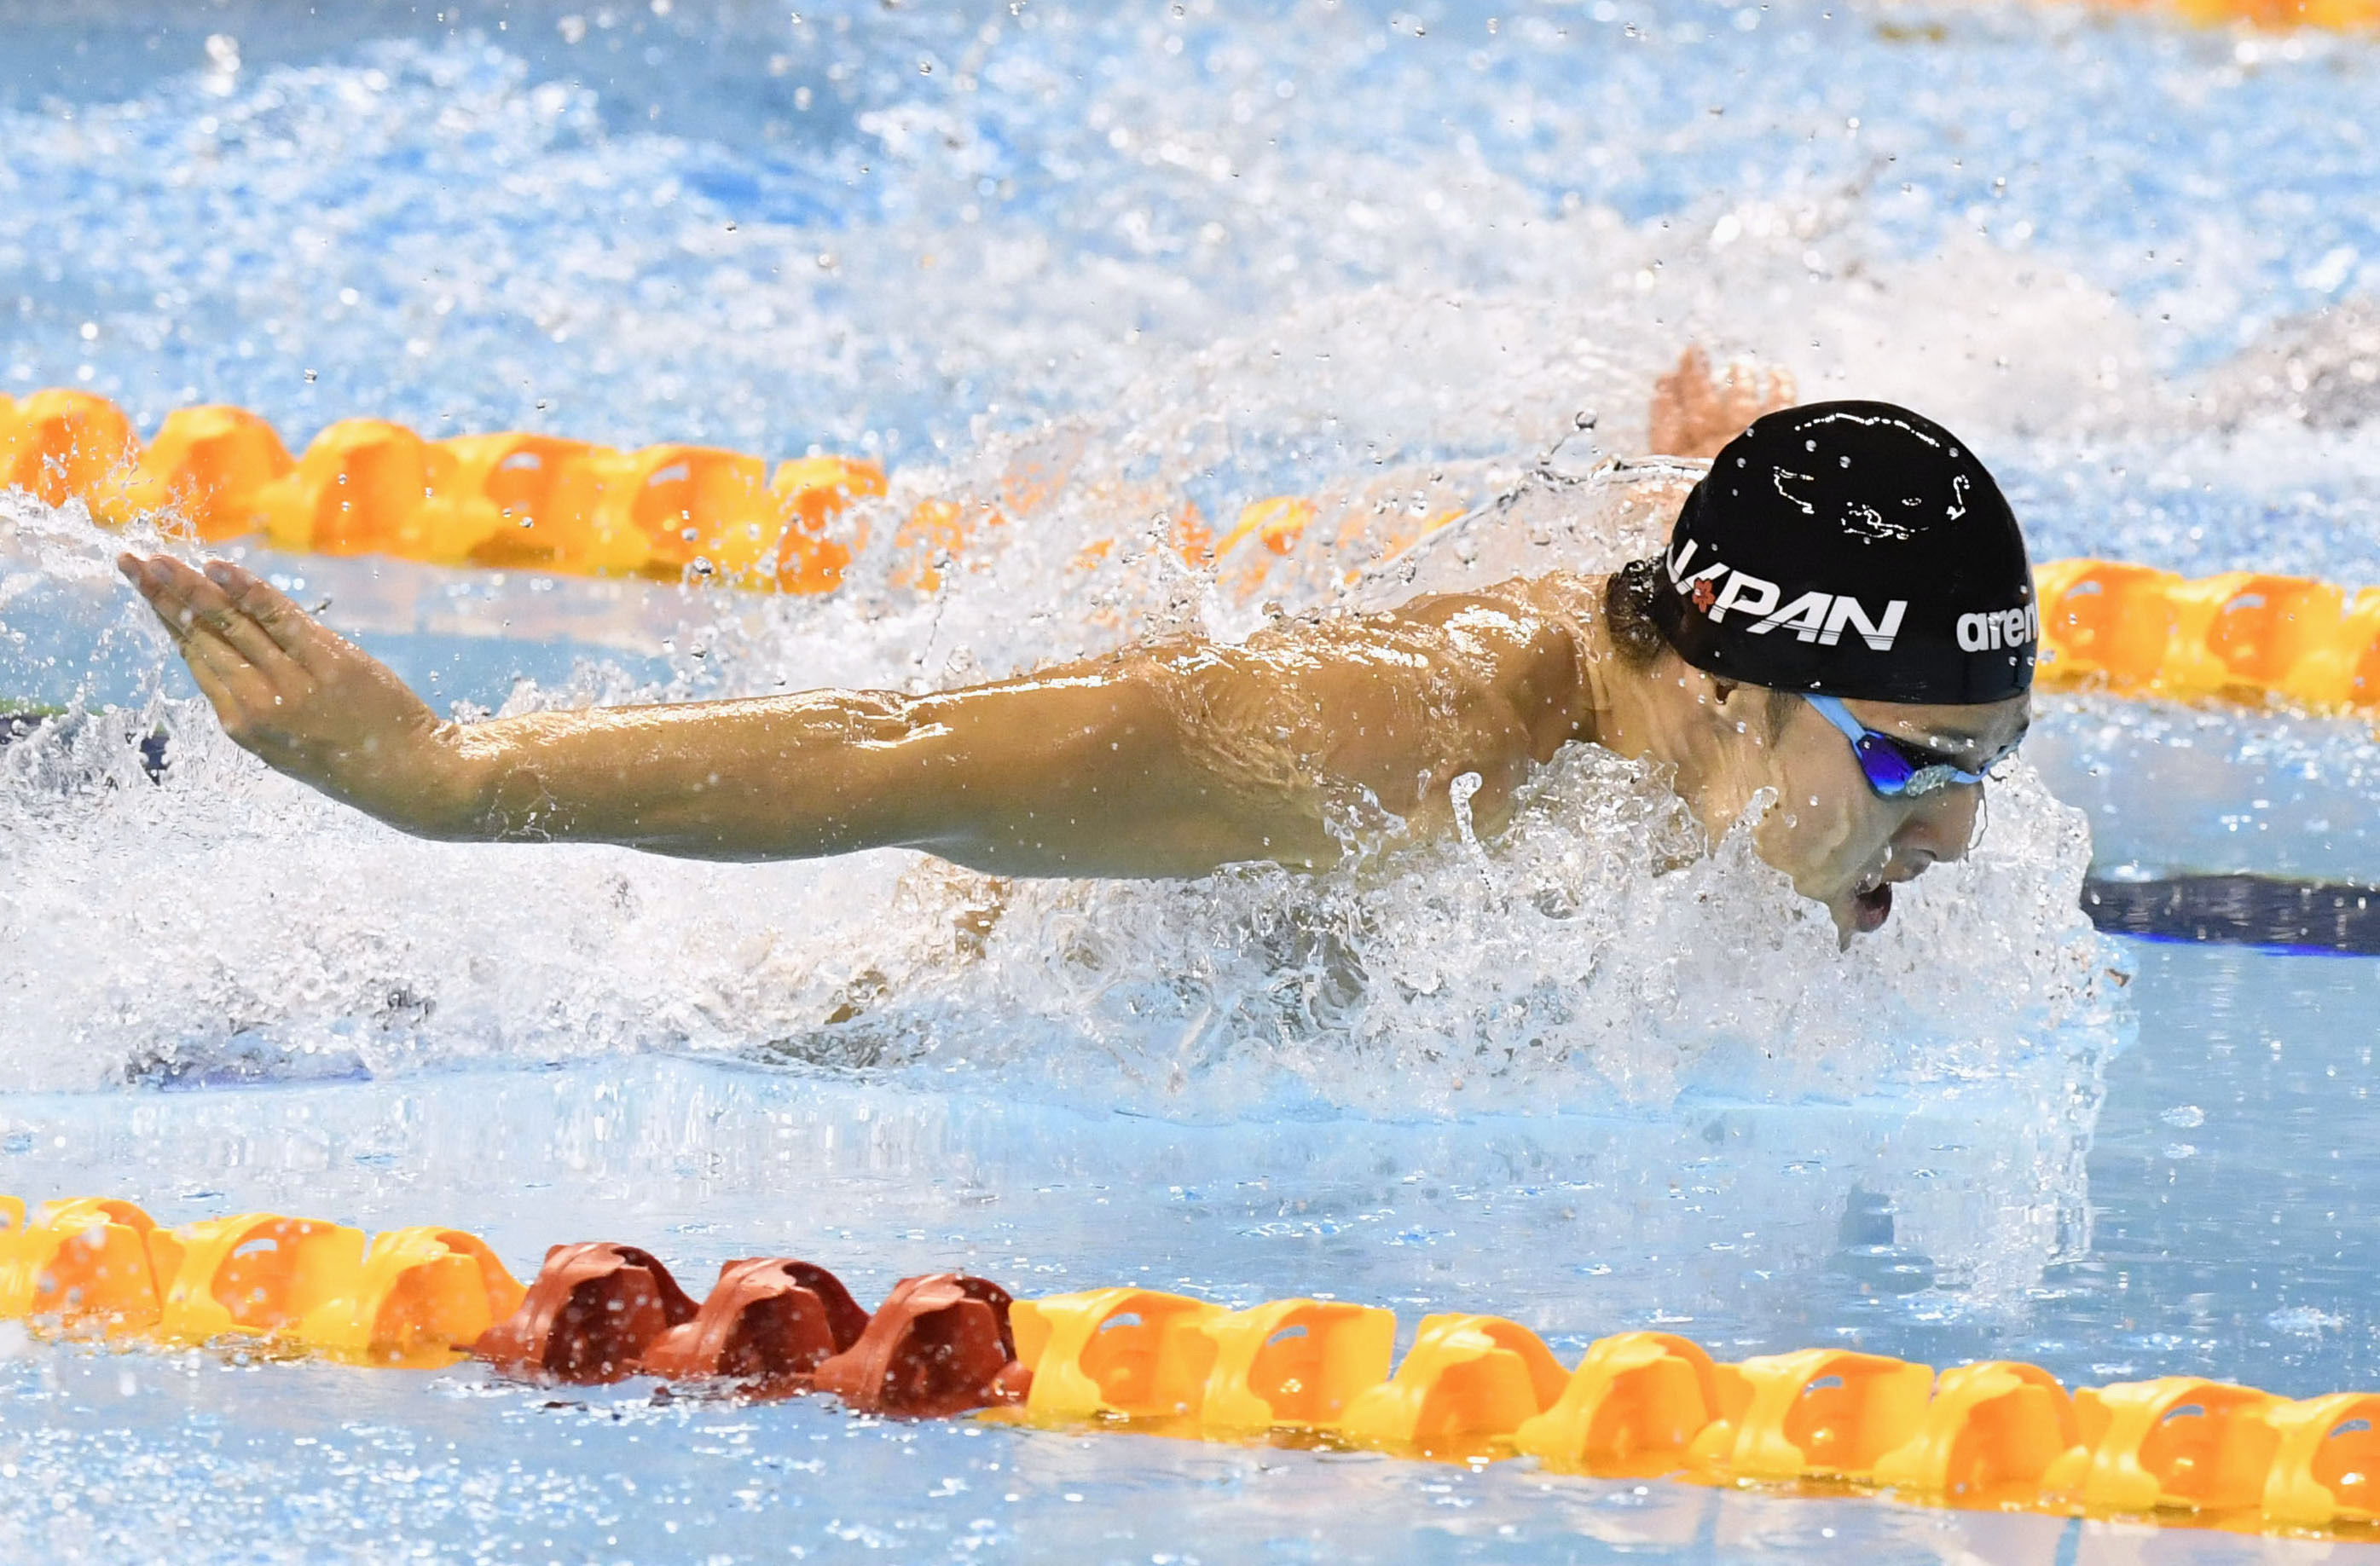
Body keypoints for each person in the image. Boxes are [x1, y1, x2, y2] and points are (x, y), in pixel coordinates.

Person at [117, 394, 2035, 943]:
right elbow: (919, 757)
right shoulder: (1393, 730)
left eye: (1980, 769)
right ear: (1724, 686)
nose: (1950, 842)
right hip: (781, 969)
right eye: (1911, 769)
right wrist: (448, 780)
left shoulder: (1692, 697)